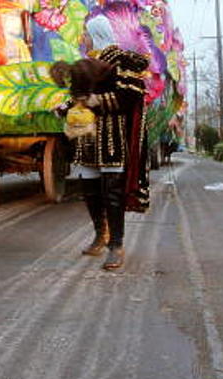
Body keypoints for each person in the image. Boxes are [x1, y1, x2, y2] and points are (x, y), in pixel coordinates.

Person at [50, 15, 149, 270]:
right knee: (90, 190)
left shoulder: (122, 60)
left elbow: (130, 96)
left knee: (112, 193)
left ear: (97, 33)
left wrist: (97, 102)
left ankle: (116, 245)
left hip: (112, 138)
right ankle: (100, 234)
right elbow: (82, 95)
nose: (83, 38)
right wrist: (67, 106)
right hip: (87, 139)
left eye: (86, 33)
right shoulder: (87, 63)